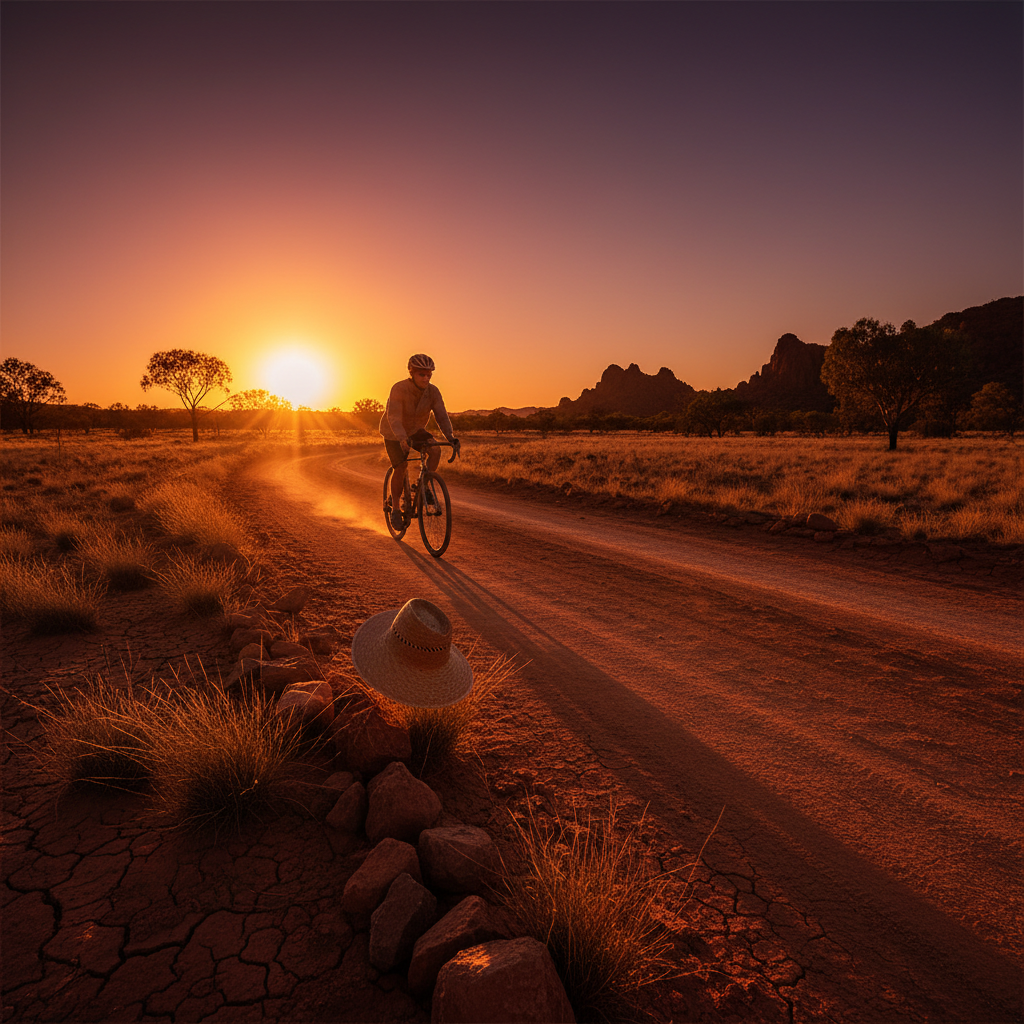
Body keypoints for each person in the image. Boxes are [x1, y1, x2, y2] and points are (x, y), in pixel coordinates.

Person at [380, 353, 460, 530]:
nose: (426, 378)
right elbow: (394, 417)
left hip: (415, 430)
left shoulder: (433, 392)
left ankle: (422, 485)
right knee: (401, 467)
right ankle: (395, 509)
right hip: (393, 432)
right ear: (412, 373)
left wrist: (451, 437)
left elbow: (441, 416)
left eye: (429, 375)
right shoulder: (399, 388)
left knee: (435, 450)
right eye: (421, 374)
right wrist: (402, 438)